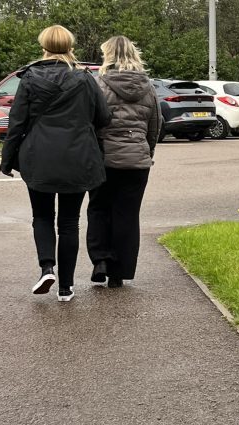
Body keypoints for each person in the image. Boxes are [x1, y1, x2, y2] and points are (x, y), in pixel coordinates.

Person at [0, 25, 111, 301]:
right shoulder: (85, 79)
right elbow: (104, 117)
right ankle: (66, 287)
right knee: (70, 222)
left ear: (44, 45)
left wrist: (7, 159)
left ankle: (47, 267)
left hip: (38, 158)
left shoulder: (30, 77)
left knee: (42, 216)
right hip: (78, 157)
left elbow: (17, 123)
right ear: (70, 45)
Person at [86, 36, 161, 288]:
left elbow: (91, 122)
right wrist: (146, 151)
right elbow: (155, 125)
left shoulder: (98, 84)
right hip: (136, 160)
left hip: (104, 157)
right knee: (127, 215)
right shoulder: (148, 87)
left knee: (98, 209)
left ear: (107, 55)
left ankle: (100, 260)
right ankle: (120, 272)